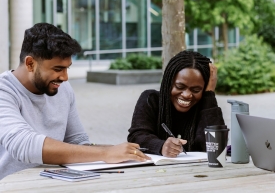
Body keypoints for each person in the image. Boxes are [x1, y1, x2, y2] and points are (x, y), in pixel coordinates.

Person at [0, 23, 148, 181]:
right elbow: (24, 146)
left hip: (56, 187)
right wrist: (106, 153)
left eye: (67, 68)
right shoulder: (5, 91)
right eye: (57, 69)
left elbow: (77, 142)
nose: (65, 77)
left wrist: (118, 151)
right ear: (30, 64)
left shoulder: (63, 89)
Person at [128, 50, 225, 157]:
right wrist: (161, 146)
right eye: (180, 87)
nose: (187, 95)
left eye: (196, 90)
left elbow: (217, 148)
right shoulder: (151, 99)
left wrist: (210, 94)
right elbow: (136, 136)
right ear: (168, 82)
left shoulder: (206, 107)